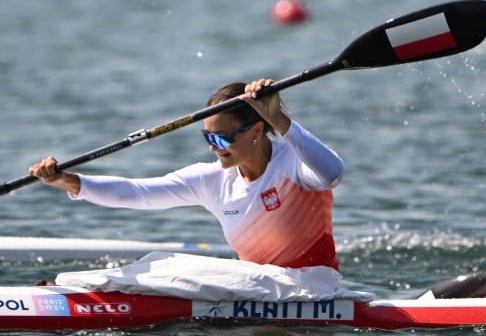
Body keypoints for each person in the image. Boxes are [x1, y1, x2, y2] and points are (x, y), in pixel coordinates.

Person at [29, 79, 345, 271]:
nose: (213, 147)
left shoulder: (293, 164)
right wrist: (67, 181)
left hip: (314, 289)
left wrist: (279, 117)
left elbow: (332, 174)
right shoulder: (211, 181)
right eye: (208, 138)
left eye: (222, 138)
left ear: (257, 130)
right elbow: (137, 193)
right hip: (260, 289)